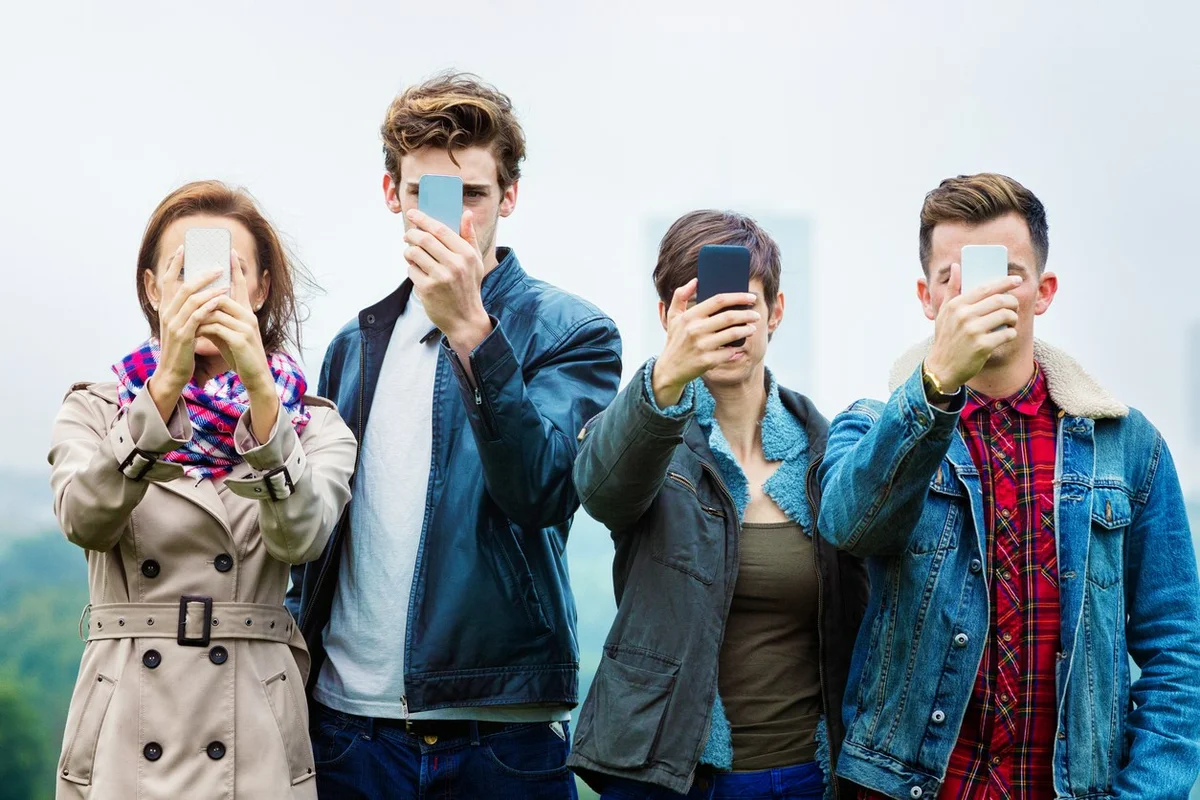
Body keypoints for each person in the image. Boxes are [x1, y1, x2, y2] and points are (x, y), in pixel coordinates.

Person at [286, 72, 622, 799]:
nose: (450, 217)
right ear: (391, 195)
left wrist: (473, 330)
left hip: (498, 736)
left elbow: (543, 491)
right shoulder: (353, 345)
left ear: (509, 197)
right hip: (347, 732)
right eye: (423, 194)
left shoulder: (574, 333)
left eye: (471, 194)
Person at [818, 173, 1200, 799]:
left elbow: (1177, 652)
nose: (980, 297)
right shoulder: (870, 426)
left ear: (1044, 292)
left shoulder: (1128, 447)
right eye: (956, 279)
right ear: (926, 296)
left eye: (1006, 273)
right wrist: (936, 381)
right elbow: (851, 525)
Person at [49, 180, 357, 799]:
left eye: (228, 271)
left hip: (252, 724)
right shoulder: (96, 410)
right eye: (183, 271)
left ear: (260, 289)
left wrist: (263, 401)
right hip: (125, 722)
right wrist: (162, 392)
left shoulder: (311, 423)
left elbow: (302, 537)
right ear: (151, 288)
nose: (203, 289)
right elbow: (85, 520)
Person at [567, 210, 867, 800]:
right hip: (667, 777)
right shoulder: (640, 434)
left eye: (743, 307)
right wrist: (668, 377)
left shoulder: (827, 449)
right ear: (668, 317)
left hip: (806, 777)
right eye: (704, 307)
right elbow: (602, 493)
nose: (726, 326)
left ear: (776, 312)